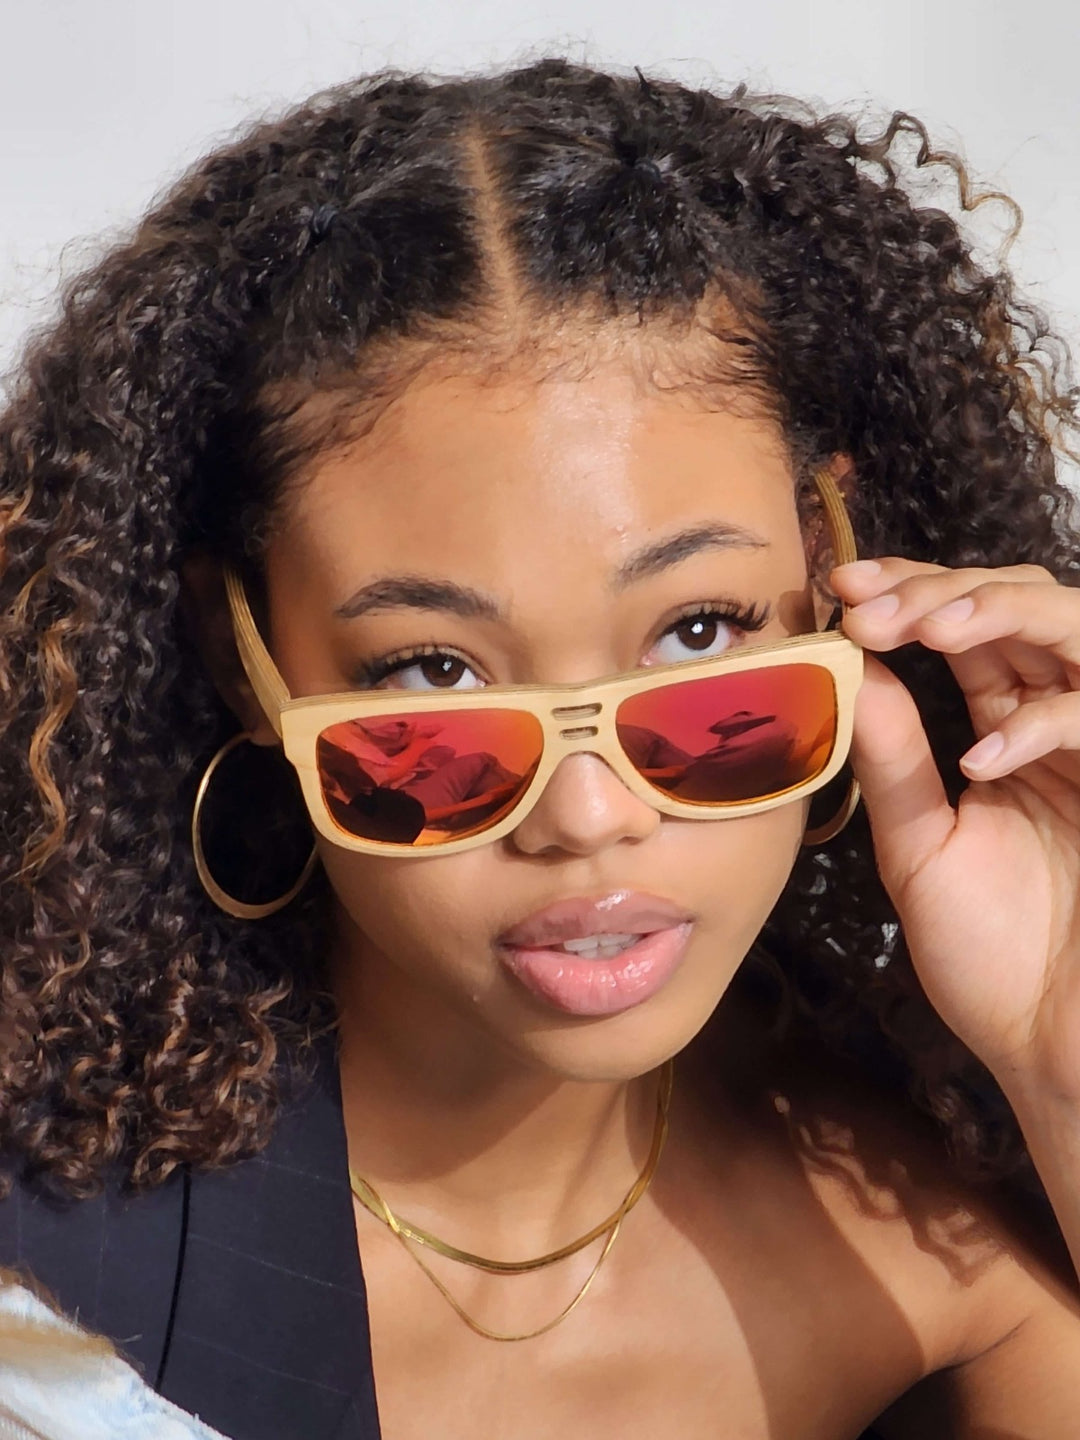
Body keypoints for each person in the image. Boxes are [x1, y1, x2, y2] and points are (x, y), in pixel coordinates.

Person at [0, 56, 1079, 1439]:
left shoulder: (947, 1242)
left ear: (834, 576)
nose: (584, 813)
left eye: (697, 635)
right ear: (243, 656)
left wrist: (1062, 1047)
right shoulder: (50, 1305)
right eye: (431, 670)